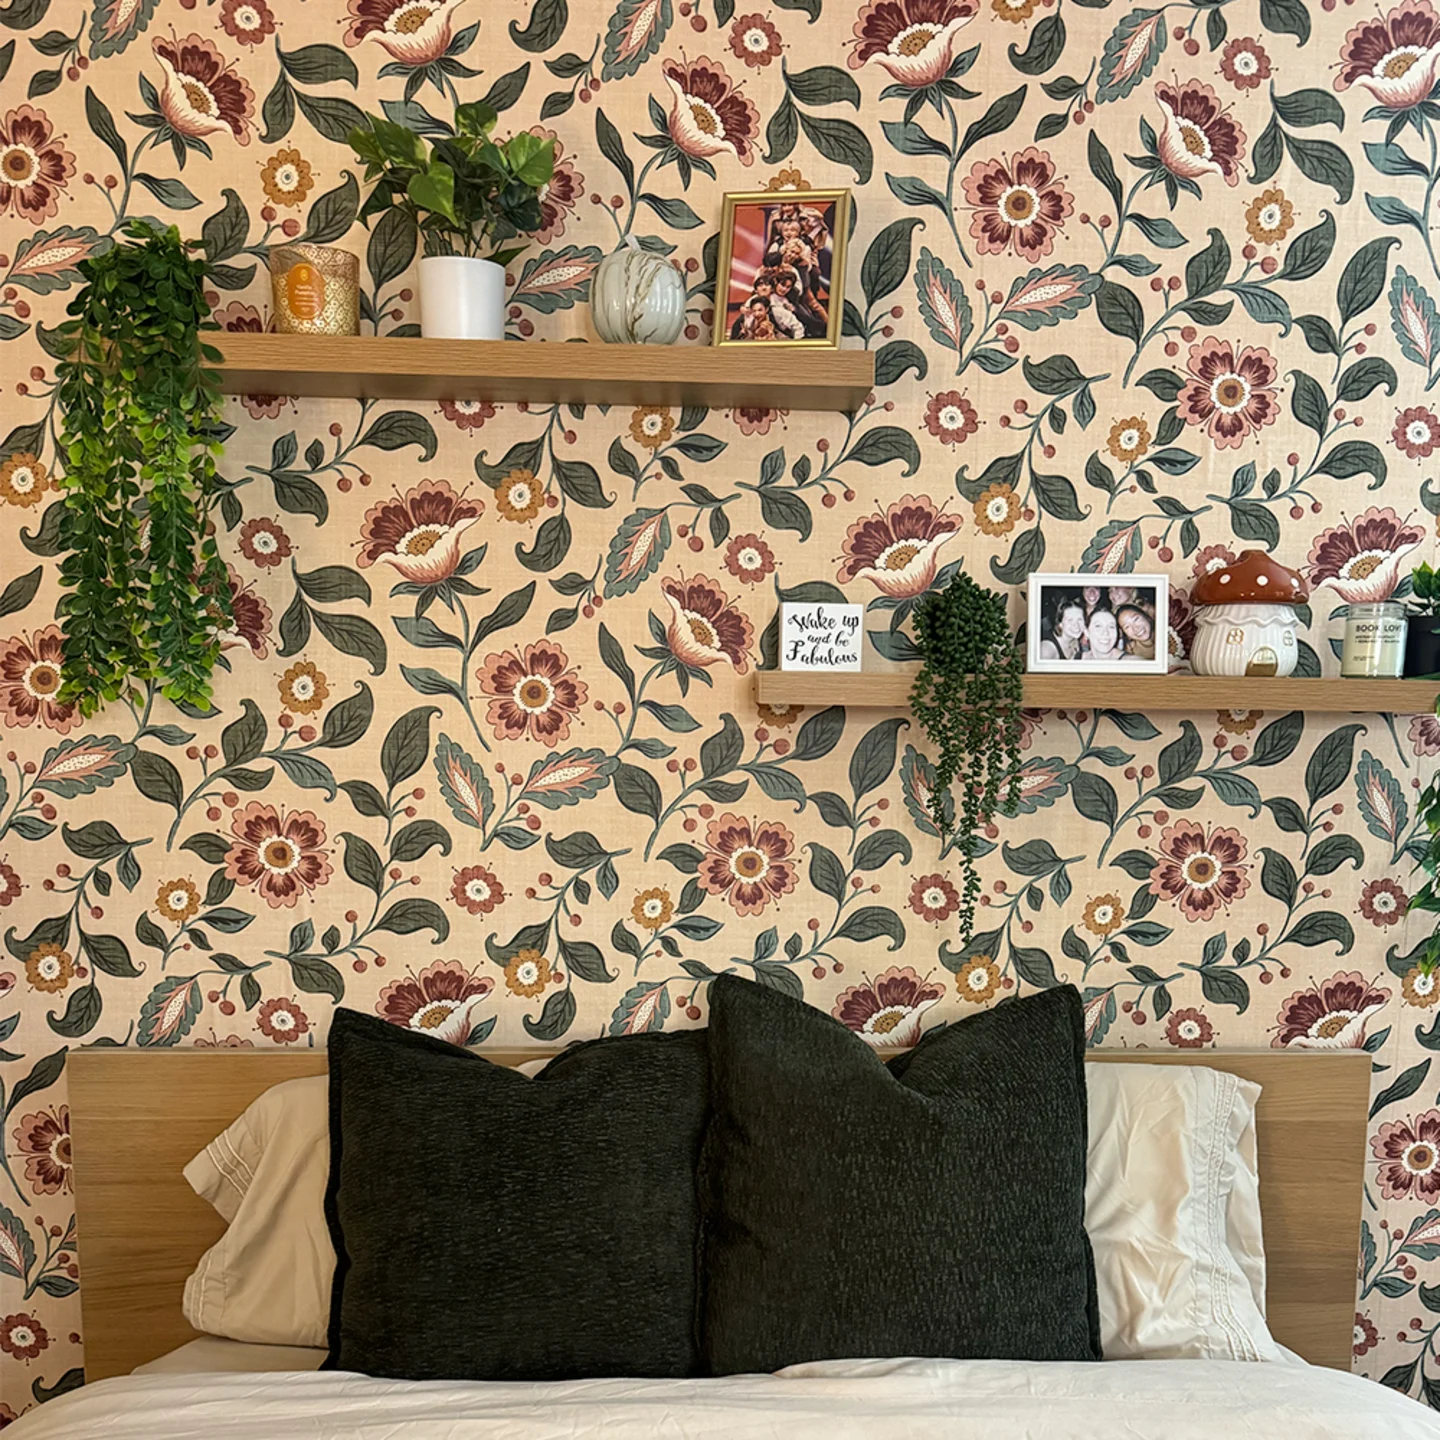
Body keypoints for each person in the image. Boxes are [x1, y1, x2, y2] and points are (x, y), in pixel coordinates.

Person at [1039, 596, 1088, 660]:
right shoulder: (1047, 649)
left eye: (1080, 619)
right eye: (1070, 620)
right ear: (1060, 624)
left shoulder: (1074, 638)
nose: (1076, 625)